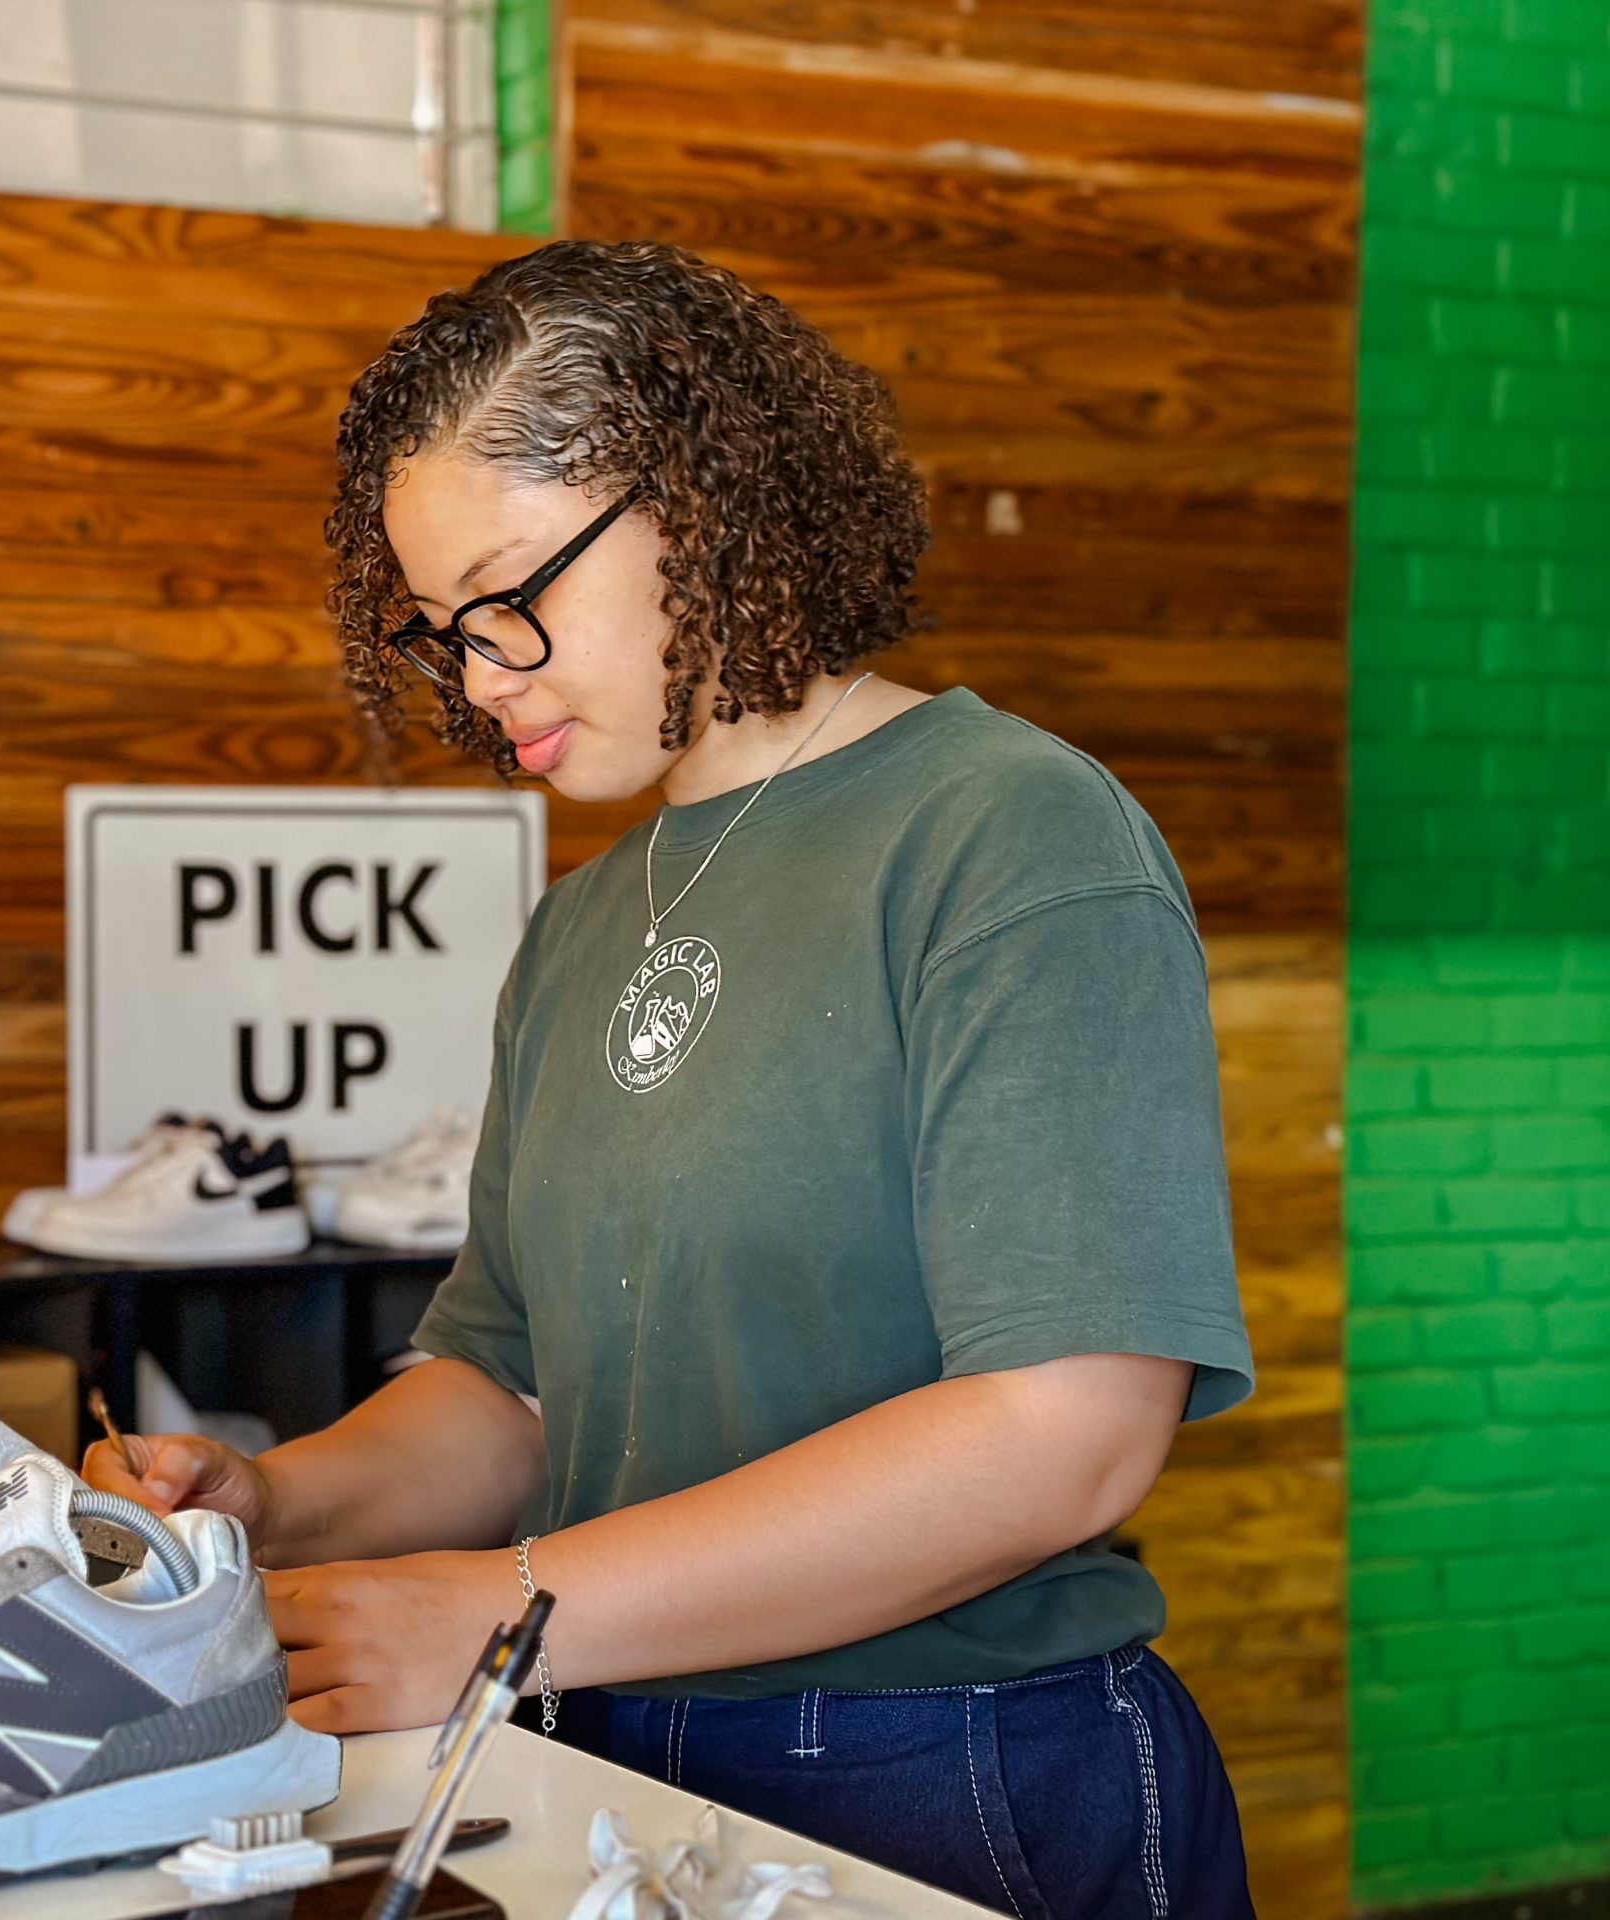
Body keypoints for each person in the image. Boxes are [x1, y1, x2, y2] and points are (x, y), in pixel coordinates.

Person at [84, 239, 1257, 1919]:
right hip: (604, 1756)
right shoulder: (575, 926)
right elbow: (513, 1391)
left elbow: (1063, 1434)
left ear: (698, 502)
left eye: (511, 599)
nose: (483, 682)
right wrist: (285, 1496)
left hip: (961, 1768)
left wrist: (507, 1607)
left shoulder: (1012, 835)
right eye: (437, 636)